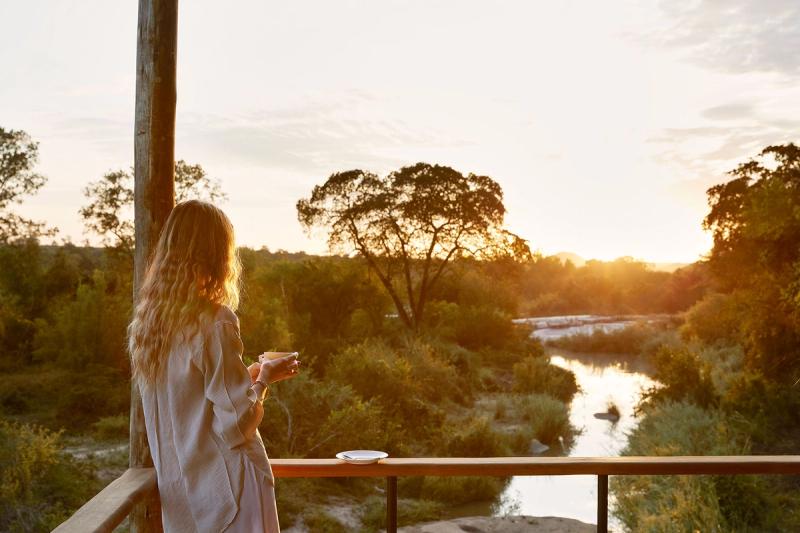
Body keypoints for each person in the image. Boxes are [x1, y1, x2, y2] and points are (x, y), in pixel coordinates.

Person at [128, 200, 300, 532]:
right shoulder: (216, 322)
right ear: (216, 254)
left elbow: (190, 401)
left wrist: (244, 377)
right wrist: (263, 379)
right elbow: (237, 425)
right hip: (230, 490)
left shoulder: (147, 326)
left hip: (182, 496)